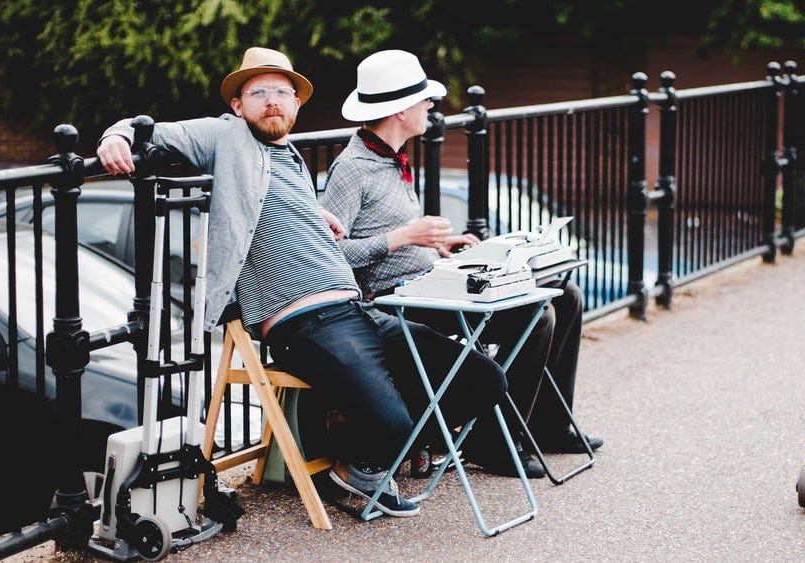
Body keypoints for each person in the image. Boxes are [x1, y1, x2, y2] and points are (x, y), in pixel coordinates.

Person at [96, 47, 508, 517]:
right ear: (237, 105)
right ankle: (361, 461)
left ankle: (364, 448)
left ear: (295, 106)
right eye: (258, 92)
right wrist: (116, 137)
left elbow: (272, 201)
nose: (271, 100)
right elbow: (153, 131)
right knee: (393, 422)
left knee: (483, 379)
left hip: (360, 310)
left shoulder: (287, 154)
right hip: (303, 321)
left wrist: (317, 215)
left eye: (282, 92)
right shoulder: (225, 135)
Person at [321, 49, 603, 479]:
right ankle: (492, 442)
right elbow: (331, 254)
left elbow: (392, 235)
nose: (431, 107)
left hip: (427, 282)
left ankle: (547, 427)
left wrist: (439, 246)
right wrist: (406, 237)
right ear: (399, 111)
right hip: (392, 303)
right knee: (536, 312)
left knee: (566, 294)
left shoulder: (390, 160)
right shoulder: (352, 169)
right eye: (423, 100)